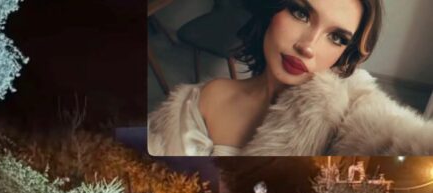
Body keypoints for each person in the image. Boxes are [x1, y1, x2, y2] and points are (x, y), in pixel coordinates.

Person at [148, 0, 433, 157]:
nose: (308, 46)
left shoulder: (349, 110)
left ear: (345, 54)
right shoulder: (202, 98)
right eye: (301, 13)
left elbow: (401, 141)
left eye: (336, 37)